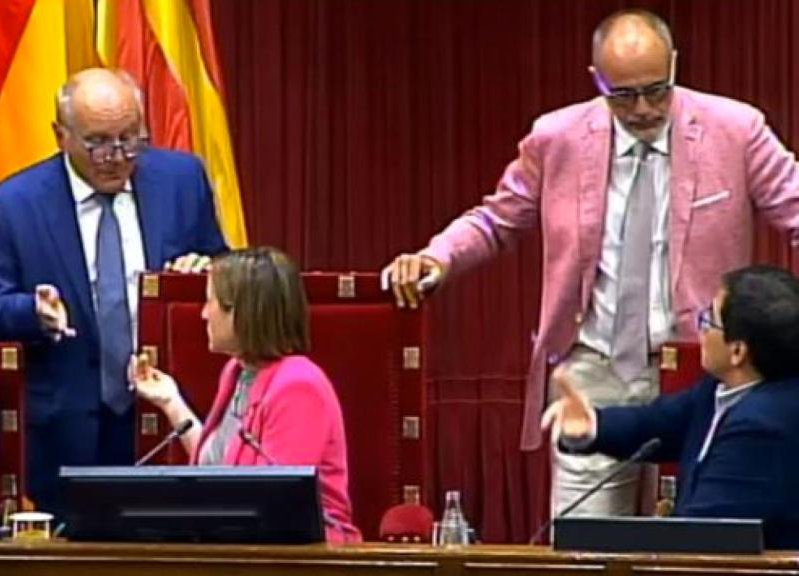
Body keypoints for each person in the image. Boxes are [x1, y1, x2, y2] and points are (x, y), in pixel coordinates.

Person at [382, 8, 799, 517]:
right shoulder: (556, 138)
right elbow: (497, 220)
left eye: (657, 89)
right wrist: (436, 256)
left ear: (674, 64)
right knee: (583, 541)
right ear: (596, 81)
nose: (644, 108)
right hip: (593, 368)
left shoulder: (736, 129)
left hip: (696, 369)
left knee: (695, 540)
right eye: (624, 96)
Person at [0, 67, 228, 514]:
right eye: (98, 142)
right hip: (65, 425)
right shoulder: (11, 205)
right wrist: (33, 313)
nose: (117, 155)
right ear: (61, 135)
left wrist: (206, 269)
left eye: (131, 138)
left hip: (166, 412)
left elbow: (226, 266)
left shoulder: (182, 180)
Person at [542, 265, 799, 549]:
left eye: (709, 321)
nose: (701, 331)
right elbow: (656, 424)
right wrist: (592, 425)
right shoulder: (717, 389)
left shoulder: (764, 425)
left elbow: (704, 539)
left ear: (737, 351)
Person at [131, 247, 361, 543]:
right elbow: (222, 472)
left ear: (241, 310)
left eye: (210, 301)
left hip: (307, 558)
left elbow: (272, 505)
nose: (203, 314)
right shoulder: (236, 372)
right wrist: (171, 401)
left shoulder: (299, 387)